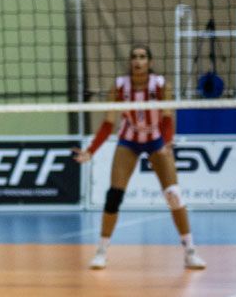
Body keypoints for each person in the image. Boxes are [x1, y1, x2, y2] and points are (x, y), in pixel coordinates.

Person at [73, 45, 205, 270]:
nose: (138, 61)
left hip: (155, 139)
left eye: (142, 57)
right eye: (134, 57)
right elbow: (108, 123)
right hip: (129, 140)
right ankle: (101, 252)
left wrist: (166, 142)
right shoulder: (119, 86)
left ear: (150, 62)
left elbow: (167, 117)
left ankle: (190, 251)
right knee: (113, 196)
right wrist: (91, 151)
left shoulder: (161, 85)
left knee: (173, 194)